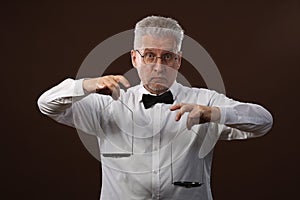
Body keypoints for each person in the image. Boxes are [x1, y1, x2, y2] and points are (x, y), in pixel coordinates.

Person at [37, 15, 273, 200]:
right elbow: (47, 104)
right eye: (149, 55)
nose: (159, 66)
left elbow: (263, 121)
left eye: (167, 57)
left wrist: (214, 113)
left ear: (178, 61)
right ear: (134, 58)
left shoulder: (204, 100)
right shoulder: (107, 104)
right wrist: (87, 84)